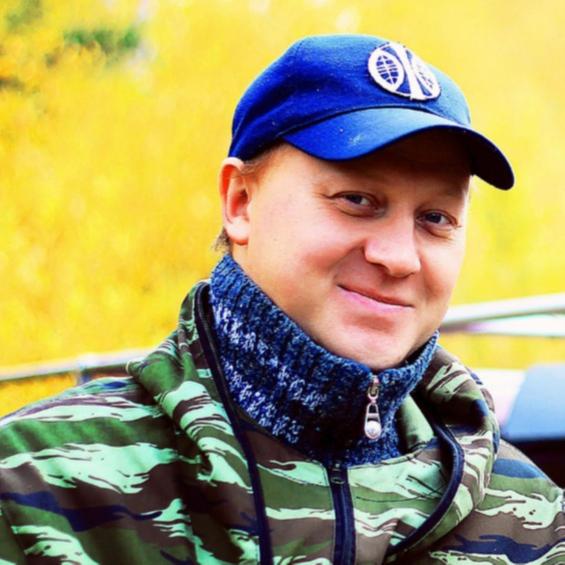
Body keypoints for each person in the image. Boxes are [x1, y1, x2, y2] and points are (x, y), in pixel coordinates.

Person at [0, 34, 563, 564]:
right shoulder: (38, 484)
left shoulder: (535, 522)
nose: (399, 257)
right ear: (241, 202)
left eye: (435, 218)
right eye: (357, 200)